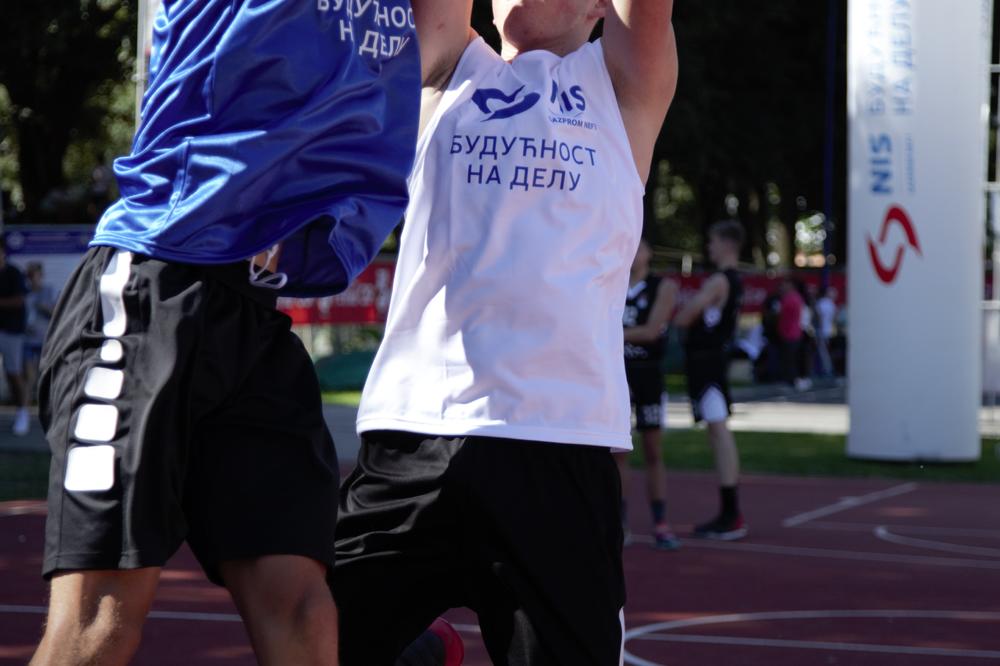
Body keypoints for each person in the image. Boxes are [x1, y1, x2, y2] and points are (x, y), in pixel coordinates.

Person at [30, 2, 420, 664]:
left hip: (256, 317)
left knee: (302, 608)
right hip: (153, 282)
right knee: (100, 620)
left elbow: (445, 41)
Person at [331, 0, 678, 663]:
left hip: (559, 446)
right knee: (309, 640)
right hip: (418, 432)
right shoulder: (449, 69)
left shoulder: (622, 88)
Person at [672, 220, 747, 540]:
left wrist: (688, 313)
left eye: (713, 241)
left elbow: (685, 316)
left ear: (728, 244)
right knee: (718, 431)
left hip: (708, 363)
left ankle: (731, 513)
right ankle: (730, 510)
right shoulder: (736, 281)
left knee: (718, 431)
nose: (709, 247)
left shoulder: (718, 281)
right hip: (713, 360)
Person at [618, 238, 680, 550]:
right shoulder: (610, 281)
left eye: (638, 246)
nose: (632, 252)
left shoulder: (663, 287)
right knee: (617, 452)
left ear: (649, 252)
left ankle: (660, 521)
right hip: (617, 375)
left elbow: (652, 330)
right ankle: (620, 522)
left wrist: (607, 332)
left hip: (648, 376)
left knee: (653, 451)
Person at [0, 239, 31, 436]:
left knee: (13, 373)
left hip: (11, 330)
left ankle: (23, 412)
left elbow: (20, 300)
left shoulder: (14, 273)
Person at [23, 262, 57, 402]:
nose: (32, 279)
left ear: (41, 276)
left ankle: (48, 407)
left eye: (35, 275)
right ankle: (23, 412)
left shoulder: (49, 291)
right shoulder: (24, 293)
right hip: (28, 340)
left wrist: (43, 307)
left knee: (45, 375)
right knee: (29, 377)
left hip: (44, 340)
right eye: (30, 276)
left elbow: (56, 313)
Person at [777, 277, 805, 387]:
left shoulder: (791, 298)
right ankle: (791, 379)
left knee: (789, 359)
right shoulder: (795, 298)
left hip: (790, 333)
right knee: (790, 358)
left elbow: (783, 315)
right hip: (792, 332)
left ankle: (791, 380)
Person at [814, 286, 837, 378]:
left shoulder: (820, 303)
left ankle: (827, 371)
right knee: (827, 353)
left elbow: (818, 319)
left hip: (822, 331)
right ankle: (828, 370)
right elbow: (834, 318)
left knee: (823, 353)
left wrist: (819, 331)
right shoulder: (831, 304)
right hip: (830, 331)